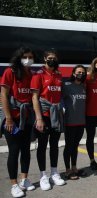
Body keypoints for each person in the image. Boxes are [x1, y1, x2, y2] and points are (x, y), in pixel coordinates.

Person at [1, 47, 35, 197]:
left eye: (30, 57)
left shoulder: (30, 73)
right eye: (25, 57)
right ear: (19, 57)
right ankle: (14, 184)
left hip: (26, 117)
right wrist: (8, 118)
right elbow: (3, 95)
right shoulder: (11, 72)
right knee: (14, 151)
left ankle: (24, 179)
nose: (28, 59)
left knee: (26, 150)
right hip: (13, 118)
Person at [31, 49, 65, 191]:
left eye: (54, 58)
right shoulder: (38, 75)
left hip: (56, 115)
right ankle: (43, 175)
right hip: (44, 115)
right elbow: (34, 97)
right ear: (44, 59)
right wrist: (39, 118)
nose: (52, 60)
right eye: (50, 58)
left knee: (55, 144)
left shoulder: (58, 75)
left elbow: (60, 95)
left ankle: (54, 173)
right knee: (43, 145)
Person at [62, 65, 87, 180]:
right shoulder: (66, 85)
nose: (80, 74)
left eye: (82, 72)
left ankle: (74, 167)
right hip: (69, 121)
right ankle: (67, 170)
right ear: (73, 73)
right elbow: (60, 99)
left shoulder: (83, 86)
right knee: (69, 146)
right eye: (78, 72)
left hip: (81, 121)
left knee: (75, 146)